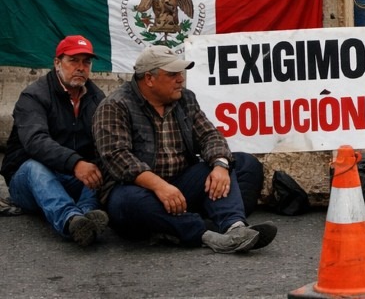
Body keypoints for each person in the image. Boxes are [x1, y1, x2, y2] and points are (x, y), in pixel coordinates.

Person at [93, 46, 275, 253]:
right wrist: (160, 187)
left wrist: (220, 165)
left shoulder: (185, 98)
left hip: (181, 183)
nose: (180, 79)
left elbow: (209, 136)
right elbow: (119, 158)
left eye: (180, 73)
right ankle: (203, 232)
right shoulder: (115, 105)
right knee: (129, 201)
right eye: (172, 74)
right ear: (149, 79)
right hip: (141, 189)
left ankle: (234, 228)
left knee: (243, 164)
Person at [1, 35, 109, 246]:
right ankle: (70, 220)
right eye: (73, 61)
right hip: (30, 183)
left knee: (105, 159)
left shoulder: (97, 97)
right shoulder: (33, 96)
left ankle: (88, 215)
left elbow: (105, 141)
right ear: (57, 62)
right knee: (33, 167)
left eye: (86, 62)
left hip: (76, 178)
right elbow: (35, 141)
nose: (80, 67)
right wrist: (75, 163)